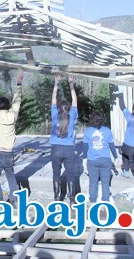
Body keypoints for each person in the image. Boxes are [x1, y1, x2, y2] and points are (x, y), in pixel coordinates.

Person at [0, 70, 25, 205]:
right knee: (10, 175)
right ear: (9, 106)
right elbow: (17, 99)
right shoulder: (12, 115)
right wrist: (19, 82)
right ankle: (13, 200)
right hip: (8, 153)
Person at [49, 74, 78, 204]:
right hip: (69, 150)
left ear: (59, 108)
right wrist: (71, 84)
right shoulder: (72, 115)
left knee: (56, 174)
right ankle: (72, 199)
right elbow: (75, 99)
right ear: (69, 108)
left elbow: (53, 98)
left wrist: (56, 83)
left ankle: (57, 198)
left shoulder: (54, 114)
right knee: (70, 174)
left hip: (55, 149)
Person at [83, 111, 118, 204]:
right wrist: (115, 156)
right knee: (105, 182)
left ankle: (93, 200)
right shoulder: (107, 131)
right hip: (105, 160)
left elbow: (85, 147)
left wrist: (84, 158)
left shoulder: (88, 131)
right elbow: (111, 145)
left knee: (93, 182)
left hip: (92, 160)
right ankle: (105, 200)